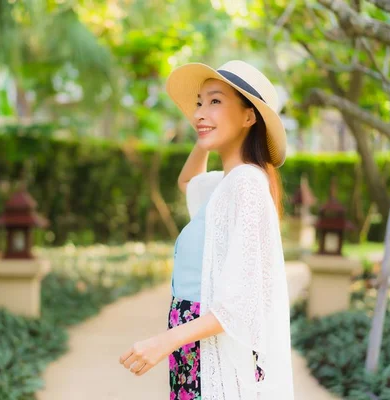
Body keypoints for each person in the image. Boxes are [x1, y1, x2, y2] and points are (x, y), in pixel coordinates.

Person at [119, 60, 294, 399]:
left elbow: (241, 303)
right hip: (193, 347)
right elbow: (187, 182)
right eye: (199, 103)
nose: (200, 111)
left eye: (215, 101)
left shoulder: (245, 184)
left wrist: (163, 342)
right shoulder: (226, 184)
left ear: (249, 116)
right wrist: (206, 133)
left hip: (208, 349)